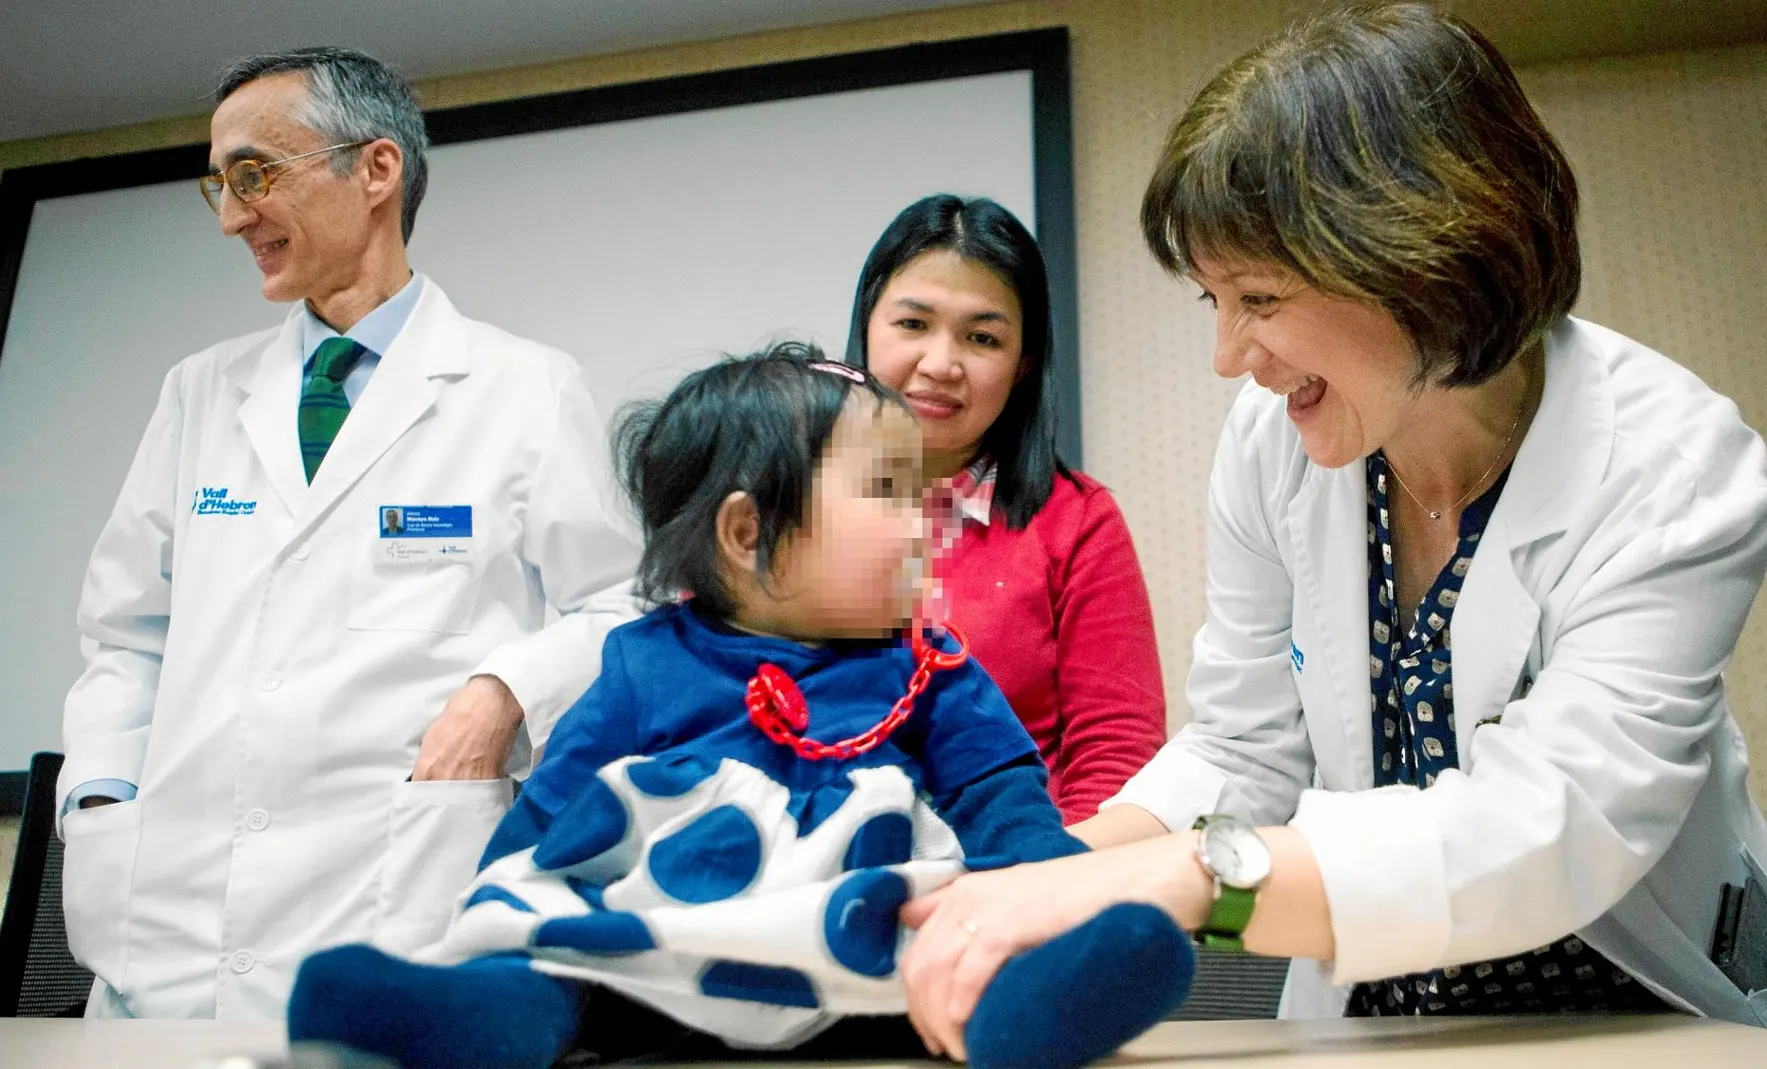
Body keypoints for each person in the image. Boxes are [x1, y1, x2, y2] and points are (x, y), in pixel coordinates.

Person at [893, 4, 1767, 1056]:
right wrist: (1044, 873)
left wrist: (1177, 879)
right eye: (1211, 299)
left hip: (1653, 1007)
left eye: (1258, 296)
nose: (1229, 355)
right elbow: (1241, 748)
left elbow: (1553, 826)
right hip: (1386, 1009)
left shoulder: (1672, 466)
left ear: (1418, 254)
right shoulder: (1274, 444)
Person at [285, 345, 1193, 1069]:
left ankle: (1027, 1012)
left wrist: (1059, 904)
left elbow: (1008, 811)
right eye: (885, 493)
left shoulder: (932, 670)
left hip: (860, 959)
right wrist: (494, 923)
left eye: (918, 495)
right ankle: (482, 1011)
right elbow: (546, 820)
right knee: (552, 958)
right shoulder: (643, 663)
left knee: (956, 958)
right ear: (747, 531)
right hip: (652, 963)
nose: (921, 524)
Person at [57, 46, 640, 1019]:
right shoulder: (201, 393)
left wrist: (505, 689)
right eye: (220, 185)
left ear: (376, 170)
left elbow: (622, 610)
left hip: (401, 902)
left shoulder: (525, 390)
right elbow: (124, 636)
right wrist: (104, 801)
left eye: (255, 175)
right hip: (175, 932)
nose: (234, 216)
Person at [845, 195, 1166, 824]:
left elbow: (1116, 753)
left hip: (1015, 873)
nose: (940, 364)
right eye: (912, 325)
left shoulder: (1078, 522)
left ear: (1022, 367)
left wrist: (1049, 880)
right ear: (867, 326)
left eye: (982, 338)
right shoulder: (783, 503)